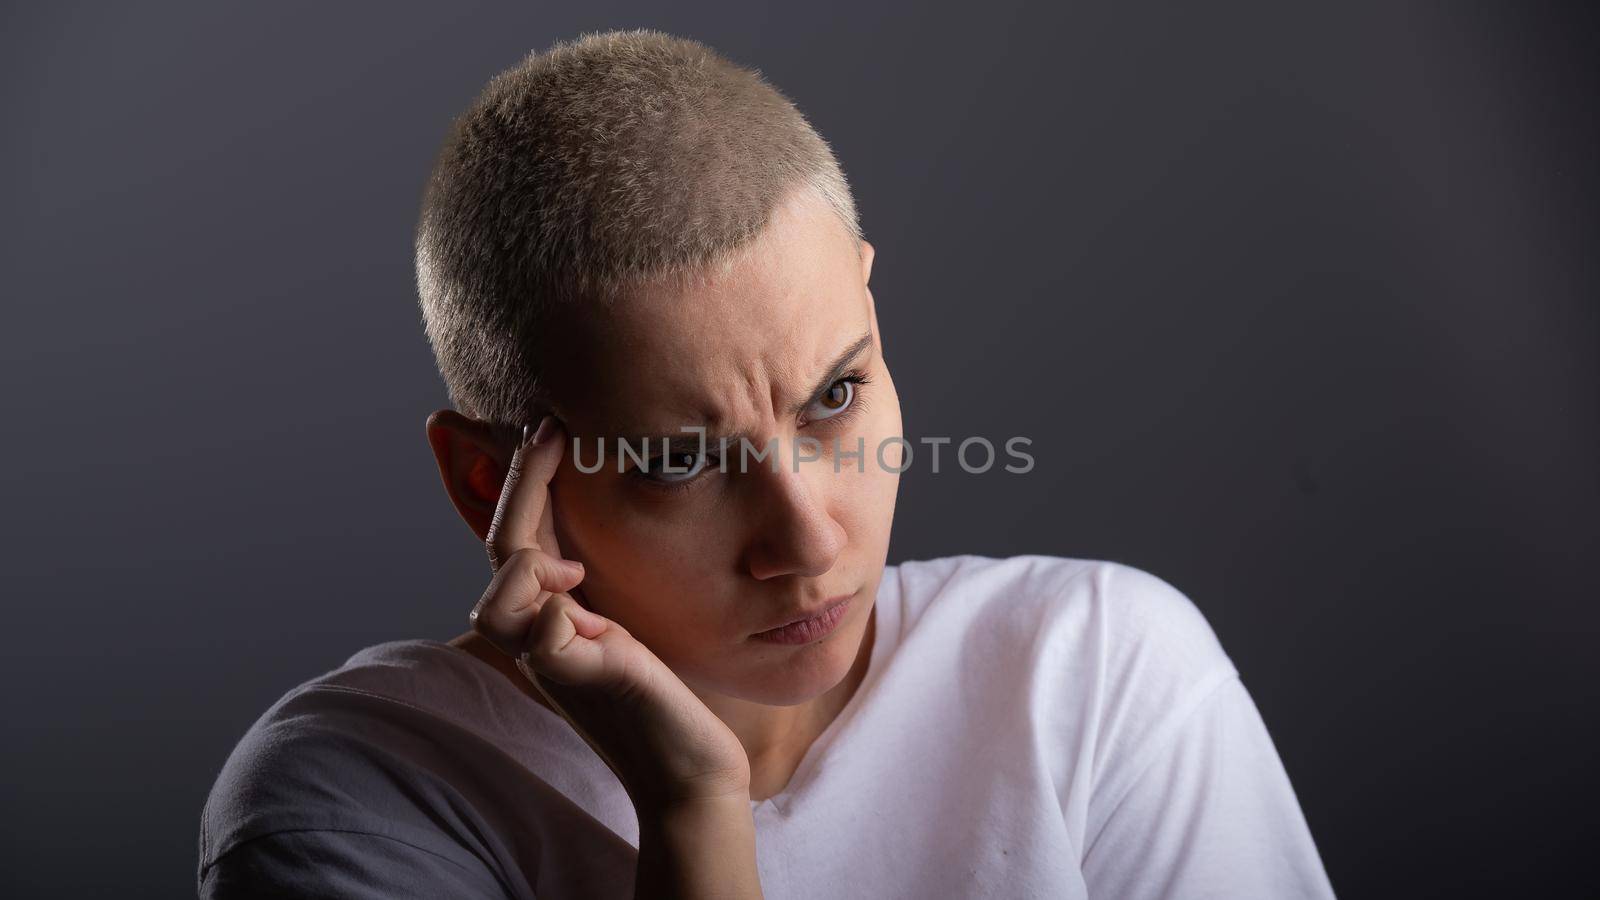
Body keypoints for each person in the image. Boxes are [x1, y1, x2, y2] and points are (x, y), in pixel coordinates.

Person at [197, 28, 1336, 899]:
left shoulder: (1093, 674)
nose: (807, 537)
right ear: (492, 488)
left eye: (836, 394)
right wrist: (692, 809)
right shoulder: (358, 799)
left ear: (870, 299)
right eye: (678, 463)